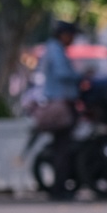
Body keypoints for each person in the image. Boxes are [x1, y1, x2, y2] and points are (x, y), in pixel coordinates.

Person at [27, 21, 82, 196]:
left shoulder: (53, 49)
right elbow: (62, 74)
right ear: (63, 34)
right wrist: (80, 76)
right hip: (59, 106)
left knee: (62, 146)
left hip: (58, 104)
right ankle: (60, 187)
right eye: (71, 35)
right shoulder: (55, 49)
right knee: (62, 148)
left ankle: (60, 185)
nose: (72, 39)